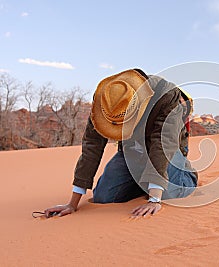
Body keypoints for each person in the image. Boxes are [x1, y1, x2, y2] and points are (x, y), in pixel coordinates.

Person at [44, 69, 197, 218]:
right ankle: (144, 181)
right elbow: (92, 147)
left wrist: (154, 199)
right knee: (104, 197)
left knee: (169, 194)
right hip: (132, 149)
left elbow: (163, 143)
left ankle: (186, 177)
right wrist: (72, 204)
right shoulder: (106, 102)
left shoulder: (166, 96)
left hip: (166, 148)